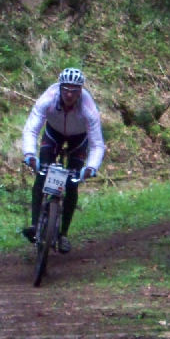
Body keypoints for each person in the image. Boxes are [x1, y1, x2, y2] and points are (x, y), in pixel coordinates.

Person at [22, 68, 105, 253]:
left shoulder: (88, 108)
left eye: (75, 91)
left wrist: (90, 168)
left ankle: (63, 234)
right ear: (59, 87)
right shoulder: (48, 99)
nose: (69, 94)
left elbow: (97, 144)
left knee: (72, 184)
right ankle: (35, 226)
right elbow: (31, 129)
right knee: (41, 175)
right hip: (53, 134)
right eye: (66, 89)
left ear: (81, 91)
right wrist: (29, 154)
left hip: (79, 139)